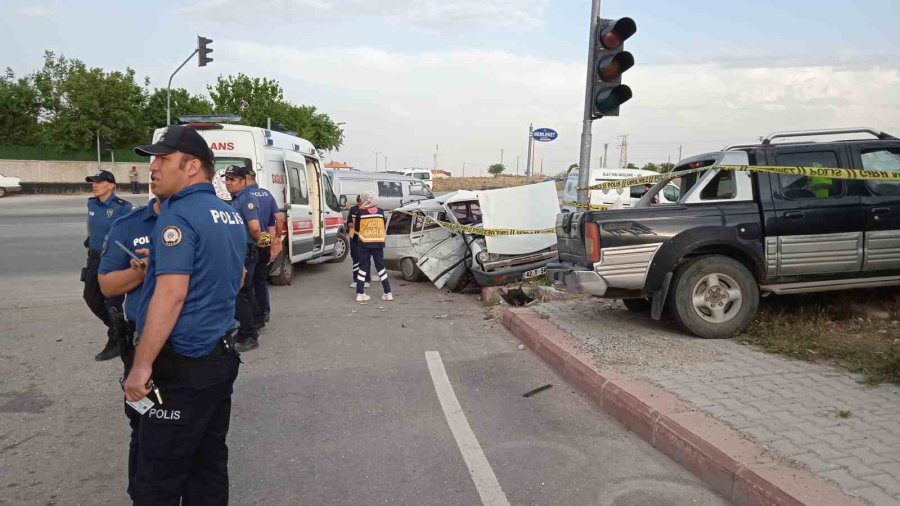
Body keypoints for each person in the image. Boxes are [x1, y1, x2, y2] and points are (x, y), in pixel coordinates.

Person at [124, 124, 245, 505]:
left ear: (192, 166)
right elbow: (237, 277)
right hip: (219, 359)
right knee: (207, 467)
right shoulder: (229, 215)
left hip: (182, 367)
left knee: (157, 479)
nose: (153, 168)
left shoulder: (177, 217)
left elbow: (171, 296)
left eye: (162, 158)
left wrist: (141, 367)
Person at [97, 192, 161, 501]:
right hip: (140, 340)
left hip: (192, 342)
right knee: (143, 424)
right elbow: (107, 285)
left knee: (195, 432)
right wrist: (141, 271)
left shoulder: (203, 220)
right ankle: (141, 494)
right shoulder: (128, 224)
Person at [84, 169, 133, 361]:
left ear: (111, 185)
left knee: (112, 302)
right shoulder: (91, 203)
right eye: (92, 182)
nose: (94, 185)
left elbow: (128, 231)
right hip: (94, 258)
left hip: (113, 259)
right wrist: (90, 240)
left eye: (98, 182)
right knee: (90, 297)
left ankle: (116, 341)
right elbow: (91, 224)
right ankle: (119, 331)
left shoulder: (123, 207)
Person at [224, 165, 265, 352]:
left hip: (246, 251)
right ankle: (255, 321)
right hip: (240, 251)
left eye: (232, 180)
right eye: (227, 179)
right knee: (246, 291)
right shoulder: (235, 200)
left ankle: (249, 335)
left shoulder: (246, 199)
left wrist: (256, 244)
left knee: (240, 293)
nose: (228, 183)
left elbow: (255, 228)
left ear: (243, 181)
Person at [246, 170, 283, 327]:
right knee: (260, 280)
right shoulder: (267, 195)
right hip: (265, 242)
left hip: (250, 243)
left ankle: (253, 315)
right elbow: (277, 219)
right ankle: (264, 312)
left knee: (247, 283)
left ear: (245, 180)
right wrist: (276, 241)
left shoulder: (244, 197)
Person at [354, 192, 393, 303]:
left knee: (363, 268)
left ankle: (360, 294)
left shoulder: (360, 212)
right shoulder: (380, 212)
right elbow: (383, 226)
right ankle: (388, 293)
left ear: (365, 200)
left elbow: (357, 228)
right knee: (381, 268)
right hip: (378, 243)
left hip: (364, 243)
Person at [347, 194, 370, 288]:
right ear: (357, 203)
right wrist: (350, 224)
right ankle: (356, 279)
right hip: (354, 236)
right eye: (360, 203)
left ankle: (366, 279)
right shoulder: (353, 209)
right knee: (355, 257)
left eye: (363, 203)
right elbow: (348, 221)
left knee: (366, 258)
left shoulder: (368, 210)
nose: (361, 205)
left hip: (365, 237)